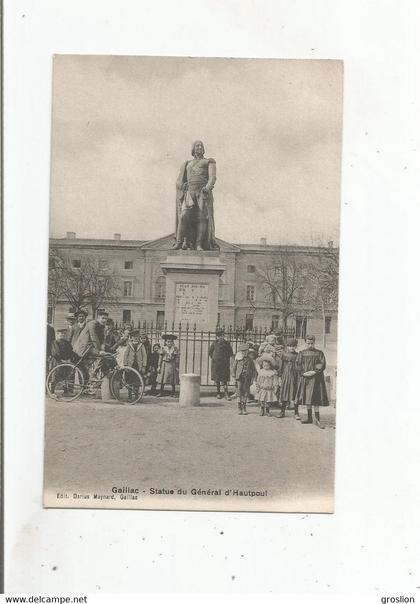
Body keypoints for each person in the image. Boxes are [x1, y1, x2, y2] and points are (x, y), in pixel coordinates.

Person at [174, 140, 218, 251]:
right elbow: (179, 180)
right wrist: (181, 186)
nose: (199, 147)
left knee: (202, 218)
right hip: (189, 192)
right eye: (197, 145)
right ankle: (179, 242)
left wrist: (207, 188)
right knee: (184, 216)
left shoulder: (209, 162)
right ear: (193, 149)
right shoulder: (187, 164)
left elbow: (212, 177)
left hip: (202, 192)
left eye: (201, 146)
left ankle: (199, 244)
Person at [295, 335, 329, 428]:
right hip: (306, 378)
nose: (310, 345)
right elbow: (298, 364)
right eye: (308, 343)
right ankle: (309, 418)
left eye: (312, 343)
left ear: (314, 342)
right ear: (305, 343)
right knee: (307, 398)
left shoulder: (319, 353)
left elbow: (322, 364)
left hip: (316, 378)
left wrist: (314, 371)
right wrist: (303, 373)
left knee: (316, 399)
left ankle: (317, 419)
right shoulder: (301, 353)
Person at [72, 310, 110, 379]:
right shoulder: (92, 324)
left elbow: (102, 339)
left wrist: (103, 347)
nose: (104, 320)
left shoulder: (102, 327)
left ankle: (97, 373)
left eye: (106, 319)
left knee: (107, 356)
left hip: (89, 348)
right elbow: (93, 336)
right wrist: (99, 350)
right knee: (101, 355)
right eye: (103, 318)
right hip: (83, 348)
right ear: (98, 318)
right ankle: (93, 375)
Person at [232, 344, 257, 415]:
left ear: (248, 351)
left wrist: (253, 378)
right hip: (239, 377)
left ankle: (244, 407)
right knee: (239, 392)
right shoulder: (238, 359)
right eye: (242, 351)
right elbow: (234, 367)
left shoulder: (250, 360)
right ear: (240, 352)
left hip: (247, 378)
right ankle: (239, 407)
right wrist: (234, 375)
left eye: (245, 351)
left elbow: (253, 369)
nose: (244, 353)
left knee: (245, 392)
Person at [278, 338, 299, 419]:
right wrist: (280, 377)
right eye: (290, 346)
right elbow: (281, 367)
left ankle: (296, 413)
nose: (292, 348)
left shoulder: (298, 355)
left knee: (295, 394)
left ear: (296, 346)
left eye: (293, 346)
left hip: (295, 377)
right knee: (285, 393)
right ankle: (282, 411)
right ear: (287, 347)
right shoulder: (284, 355)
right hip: (286, 376)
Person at [209, 328, 233, 399]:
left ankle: (226, 394)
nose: (221, 337)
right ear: (217, 336)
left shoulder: (227, 343)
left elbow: (230, 353)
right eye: (219, 336)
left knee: (225, 379)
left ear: (224, 336)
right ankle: (218, 393)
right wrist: (215, 359)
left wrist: (225, 358)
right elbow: (210, 353)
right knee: (217, 379)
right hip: (216, 364)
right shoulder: (214, 343)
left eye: (222, 335)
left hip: (224, 364)